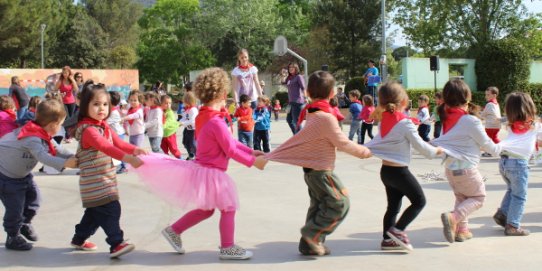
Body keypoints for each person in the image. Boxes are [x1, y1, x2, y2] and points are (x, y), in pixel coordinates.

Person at [130, 67, 266, 260]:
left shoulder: (205, 115)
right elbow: (230, 150)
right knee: (228, 207)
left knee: (206, 209)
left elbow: (230, 142)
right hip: (212, 172)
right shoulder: (216, 121)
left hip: (204, 169)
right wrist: (253, 162)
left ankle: (174, 231)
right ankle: (227, 247)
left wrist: (251, 151)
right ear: (222, 93)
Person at [263, 71, 372, 256]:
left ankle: (308, 244)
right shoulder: (325, 117)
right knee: (340, 203)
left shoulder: (312, 112)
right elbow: (342, 143)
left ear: (308, 92)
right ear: (331, 93)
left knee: (319, 205)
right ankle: (312, 235)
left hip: (311, 171)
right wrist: (364, 152)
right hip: (322, 172)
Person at [70, 81, 146, 258]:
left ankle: (79, 238)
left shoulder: (103, 126)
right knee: (111, 209)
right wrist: (129, 159)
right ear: (84, 106)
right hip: (96, 182)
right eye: (96, 104)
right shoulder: (89, 130)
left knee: (94, 213)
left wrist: (135, 150)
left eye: (105, 104)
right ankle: (116, 243)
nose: (101, 108)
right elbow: (106, 147)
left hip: (104, 179)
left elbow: (118, 143)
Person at [365, 82, 443, 251]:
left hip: (386, 172)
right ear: (403, 101)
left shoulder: (384, 120)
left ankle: (387, 239)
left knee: (393, 208)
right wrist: (437, 151)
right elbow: (422, 147)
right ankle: (397, 230)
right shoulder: (405, 123)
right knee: (419, 201)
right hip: (399, 172)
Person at [0, 99, 77, 251]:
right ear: (52, 125)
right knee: (15, 209)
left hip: (24, 176)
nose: (60, 127)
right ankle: (12, 236)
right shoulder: (32, 136)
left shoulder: (42, 134)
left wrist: (75, 157)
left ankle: (24, 223)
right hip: (7, 178)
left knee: (34, 200)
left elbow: (58, 149)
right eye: (60, 124)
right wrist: (65, 164)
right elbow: (43, 157)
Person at [432, 79, 502, 243]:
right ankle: (453, 218)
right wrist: (503, 149)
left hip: (450, 168)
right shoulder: (469, 120)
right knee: (478, 197)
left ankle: (461, 230)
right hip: (466, 168)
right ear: (467, 97)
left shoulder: (446, 117)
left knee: (462, 197)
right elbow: (487, 144)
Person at [493, 92, 538, 236]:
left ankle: (503, 215)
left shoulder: (511, 125)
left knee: (512, 191)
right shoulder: (534, 124)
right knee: (520, 196)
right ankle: (512, 226)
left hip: (504, 162)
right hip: (519, 164)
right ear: (529, 107)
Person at [281, 63, 306, 134]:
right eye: (289, 67)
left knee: (296, 122)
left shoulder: (299, 77)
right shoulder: (289, 77)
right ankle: (296, 135)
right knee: (289, 120)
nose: (291, 69)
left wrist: (305, 97)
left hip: (298, 102)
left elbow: (303, 88)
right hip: (291, 102)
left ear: (296, 68)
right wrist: (283, 75)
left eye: (292, 67)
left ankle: (299, 138)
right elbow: (283, 83)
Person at [107, 91, 128, 174]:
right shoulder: (112, 110)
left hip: (118, 134)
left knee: (118, 151)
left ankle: (123, 166)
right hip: (115, 134)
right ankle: (117, 165)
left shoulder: (113, 112)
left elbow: (105, 122)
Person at [481, 86, 502, 157]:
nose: (486, 96)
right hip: (497, 125)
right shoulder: (496, 104)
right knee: (494, 138)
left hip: (490, 126)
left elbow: (483, 114)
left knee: (488, 140)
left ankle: (490, 152)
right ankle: (502, 149)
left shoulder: (489, 104)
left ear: (494, 95)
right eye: (485, 94)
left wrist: (478, 114)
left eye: (488, 95)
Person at [160, 95, 181, 159]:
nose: (168, 105)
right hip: (163, 134)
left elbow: (168, 122)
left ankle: (180, 158)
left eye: (169, 103)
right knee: (163, 149)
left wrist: (161, 126)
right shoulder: (160, 111)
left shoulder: (170, 112)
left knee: (173, 148)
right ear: (161, 103)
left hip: (170, 133)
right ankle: (166, 161)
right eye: (166, 103)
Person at [179, 92, 198, 160]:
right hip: (187, 129)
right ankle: (191, 154)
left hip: (193, 130)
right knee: (185, 142)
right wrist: (179, 122)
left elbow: (193, 121)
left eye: (185, 101)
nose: (184, 103)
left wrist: (183, 123)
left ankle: (197, 156)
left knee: (192, 144)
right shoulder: (186, 109)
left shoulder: (193, 110)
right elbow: (184, 118)